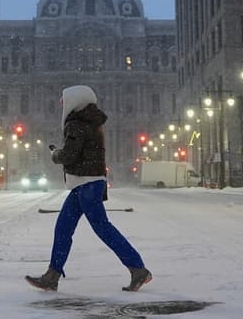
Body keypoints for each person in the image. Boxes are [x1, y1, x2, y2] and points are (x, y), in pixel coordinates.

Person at [25, 84, 151, 292]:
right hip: (86, 182)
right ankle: (52, 275)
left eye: (64, 101)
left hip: (87, 183)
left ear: (75, 101)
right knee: (64, 228)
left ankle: (138, 269)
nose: (61, 105)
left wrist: (56, 154)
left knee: (102, 228)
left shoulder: (77, 123)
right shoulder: (91, 122)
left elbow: (70, 155)